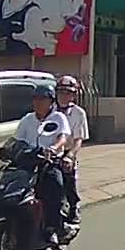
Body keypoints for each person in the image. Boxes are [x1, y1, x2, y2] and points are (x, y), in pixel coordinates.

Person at [13, 83, 70, 246]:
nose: (38, 102)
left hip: (49, 162)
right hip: (27, 163)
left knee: (55, 187)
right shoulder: (27, 119)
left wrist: (54, 148)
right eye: (36, 99)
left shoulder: (58, 118)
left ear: (51, 101)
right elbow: (17, 140)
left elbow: (63, 138)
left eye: (43, 99)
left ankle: (52, 228)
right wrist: (5, 149)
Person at [55, 75, 88, 224]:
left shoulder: (78, 113)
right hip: (49, 151)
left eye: (68, 93)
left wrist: (70, 155)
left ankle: (74, 206)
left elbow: (78, 139)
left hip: (67, 152)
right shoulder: (50, 110)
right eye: (61, 92)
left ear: (74, 95)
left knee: (68, 179)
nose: (64, 96)